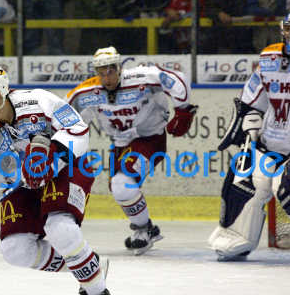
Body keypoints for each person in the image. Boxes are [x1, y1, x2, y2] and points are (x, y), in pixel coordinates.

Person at [0, 64, 120, 295]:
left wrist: (52, 154)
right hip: (23, 183)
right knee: (15, 249)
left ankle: (97, 291)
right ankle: (89, 264)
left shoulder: (39, 101)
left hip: (66, 168)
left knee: (60, 228)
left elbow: (77, 129)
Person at [67, 47, 196, 255]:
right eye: (101, 72)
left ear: (119, 68)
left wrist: (183, 110)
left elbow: (177, 79)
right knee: (118, 188)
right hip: (120, 144)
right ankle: (146, 229)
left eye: (110, 71)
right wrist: (59, 146)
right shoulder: (87, 92)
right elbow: (66, 118)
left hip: (150, 139)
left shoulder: (142, 77)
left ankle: (144, 230)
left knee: (123, 184)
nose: (106, 77)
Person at [209, 10, 290, 261]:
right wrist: (248, 130)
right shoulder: (270, 58)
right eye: (287, 28)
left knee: (289, 189)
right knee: (243, 181)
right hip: (268, 143)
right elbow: (251, 102)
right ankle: (237, 236)